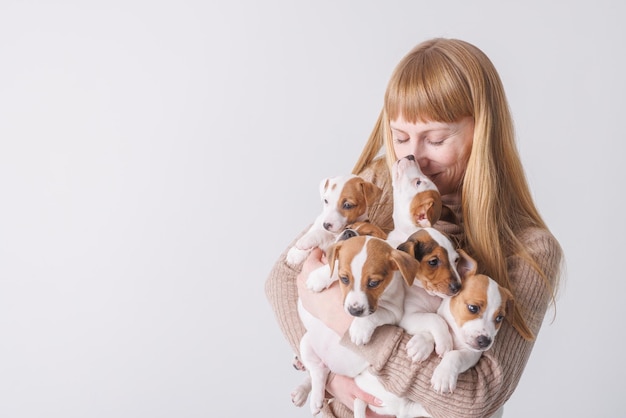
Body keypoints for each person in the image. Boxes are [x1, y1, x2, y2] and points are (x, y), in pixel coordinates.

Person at [265, 37, 564, 418]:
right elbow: (280, 279)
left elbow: (473, 397)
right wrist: (332, 374)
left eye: (436, 139)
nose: (413, 158)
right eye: (401, 136)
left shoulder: (529, 249)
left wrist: (346, 323)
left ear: (483, 133)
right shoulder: (380, 188)